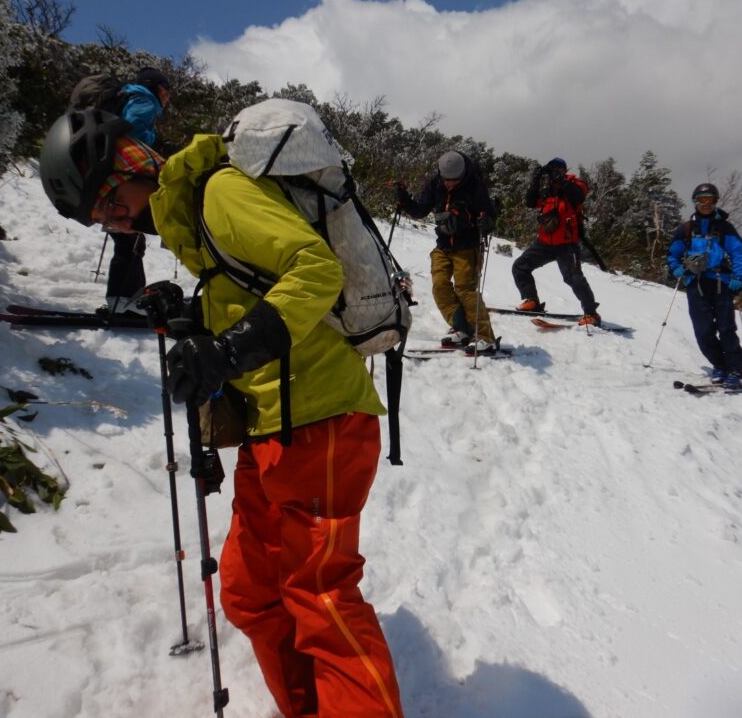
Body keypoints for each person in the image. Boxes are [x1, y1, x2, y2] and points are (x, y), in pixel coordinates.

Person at [39, 107, 404, 718]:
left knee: (321, 597)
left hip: (323, 422)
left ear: (128, 167)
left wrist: (228, 350)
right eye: (95, 216)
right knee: (247, 589)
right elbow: (251, 285)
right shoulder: (190, 215)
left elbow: (314, 271)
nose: (107, 220)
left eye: (105, 201)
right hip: (272, 427)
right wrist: (192, 315)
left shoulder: (220, 193)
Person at [395, 150, 498, 353]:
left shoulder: (474, 184)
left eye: (455, 180)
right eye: (447, 180)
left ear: (462, 175)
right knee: (440, 286)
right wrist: (404, 199)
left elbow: (490, 215)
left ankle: (486, 337)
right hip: (443, 245)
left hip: (467, 246)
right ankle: (462, 328)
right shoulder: (436, 183)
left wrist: (486, 222)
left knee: (465, 291)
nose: (450, 184)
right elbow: (420, 210)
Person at [666, 182, 742, 389]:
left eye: (710, 199)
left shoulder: (724, 227)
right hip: (696, 284)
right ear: (695, 202)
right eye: (701, 200)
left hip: (722, 283)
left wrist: (739, 276)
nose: (705, 204)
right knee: (703, 331)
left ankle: (736, 370)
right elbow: (673, 255)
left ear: (715, 201)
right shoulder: (686, 228)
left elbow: (738, 252)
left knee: (726, 328)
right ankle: (720, 366)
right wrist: (677, 270)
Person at [104, 67, 171, 316]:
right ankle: (124, 301)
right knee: (130, 241)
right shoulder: (145, 100)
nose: (168, 96)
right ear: (158, 87)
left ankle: (123, 299)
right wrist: (150, 140)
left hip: (112, 179)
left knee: (129, 240)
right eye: (167, 89)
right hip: (124, 178)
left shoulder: (129, 96)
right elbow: (132, 132)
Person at [511, 157, 601, 326]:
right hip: (545, 242)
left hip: (567, 244)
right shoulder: (547, 190)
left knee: (573, 278)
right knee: (520, 266)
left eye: (558, 170)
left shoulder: (575, 183)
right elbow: (530, 202)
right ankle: (532, 302)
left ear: (564, 170)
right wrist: (536, 179)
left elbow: (578, 196)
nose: (554, 174)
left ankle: (591, 314)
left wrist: (561, 180)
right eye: (552, 170)